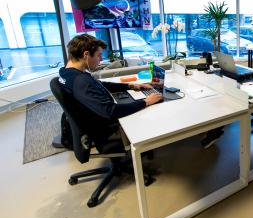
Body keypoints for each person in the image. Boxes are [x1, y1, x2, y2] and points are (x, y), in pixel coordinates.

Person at [59, 34, 223, 149]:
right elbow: (111, 111)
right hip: (105, 126)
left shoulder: (68, 73)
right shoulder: (81, 81)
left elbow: (100, 85)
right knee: (163, 107)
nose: (100, 60)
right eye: (99, 56)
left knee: (154, 99)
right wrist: (145, 101)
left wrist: (131, 86)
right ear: (86, 54)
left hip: (93, 119)